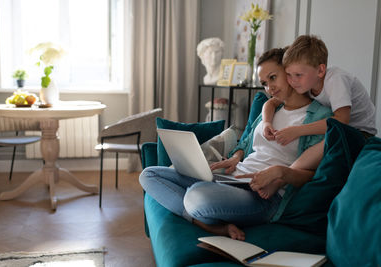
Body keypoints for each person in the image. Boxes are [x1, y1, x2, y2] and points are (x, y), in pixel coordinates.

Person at [139, 48, 332, 240]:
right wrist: (236, 157)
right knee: (149, 174)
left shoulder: (319, 117)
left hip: (264, 196)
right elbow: (247, 141)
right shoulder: (272, 110)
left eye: (273, 77)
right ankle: (206, 222)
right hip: (234, 178)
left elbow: (313, 175)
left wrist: (279, 173)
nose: (269, 88)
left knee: (196, 196)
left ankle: (205, 217)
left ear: (289, 72)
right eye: (264, 83)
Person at [261, 35, 377, 170]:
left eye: (298, 75)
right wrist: (266, 123)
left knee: (327, 141)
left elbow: (341, 121)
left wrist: (297, 131)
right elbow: (271, 103)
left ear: (320, 71)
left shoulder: (335, 79)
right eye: (288, 74)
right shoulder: (306, 83)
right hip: (339, 129)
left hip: (361, 133)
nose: (292, 81)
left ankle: (288, 174)